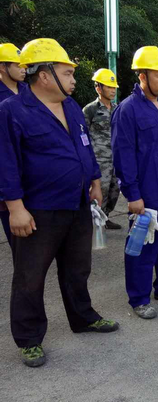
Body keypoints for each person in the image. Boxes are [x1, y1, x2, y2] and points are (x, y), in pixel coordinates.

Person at [0, 38, 119, 367]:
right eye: (67, 73)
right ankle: (29, 338)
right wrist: (15, 208)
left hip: (77, 203)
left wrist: (95, 182)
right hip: (38, 209)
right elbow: (5, 162)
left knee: (78, 268)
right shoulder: (11, 111)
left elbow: (85, 147)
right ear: (44, 75)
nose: (73, 79)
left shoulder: (71, 107)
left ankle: (83, 318)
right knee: (30, 276)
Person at [111, 46, 158, 319]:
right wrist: (132, 195)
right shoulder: (127, 110)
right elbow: (123, 156)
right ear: (142, 76)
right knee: (142, 246)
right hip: (146, 193)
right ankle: (139, 298)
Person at [82, 69, 121, 230]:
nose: (113, 90)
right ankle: (92, 221)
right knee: (100, 191)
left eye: (114, 87)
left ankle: (105, 216)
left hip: (116, 159)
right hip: (99, 160)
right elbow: (82, 135)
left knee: (114, 191)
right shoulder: (90, 109)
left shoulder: (117, 109)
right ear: (98, 87)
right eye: (109, 87)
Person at [0, 43, 27, 243]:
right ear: (2, 67)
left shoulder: (30, 91)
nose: (23, 69)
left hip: (32, 174)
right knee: (19, 241)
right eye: (18, 65)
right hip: (8, 174)